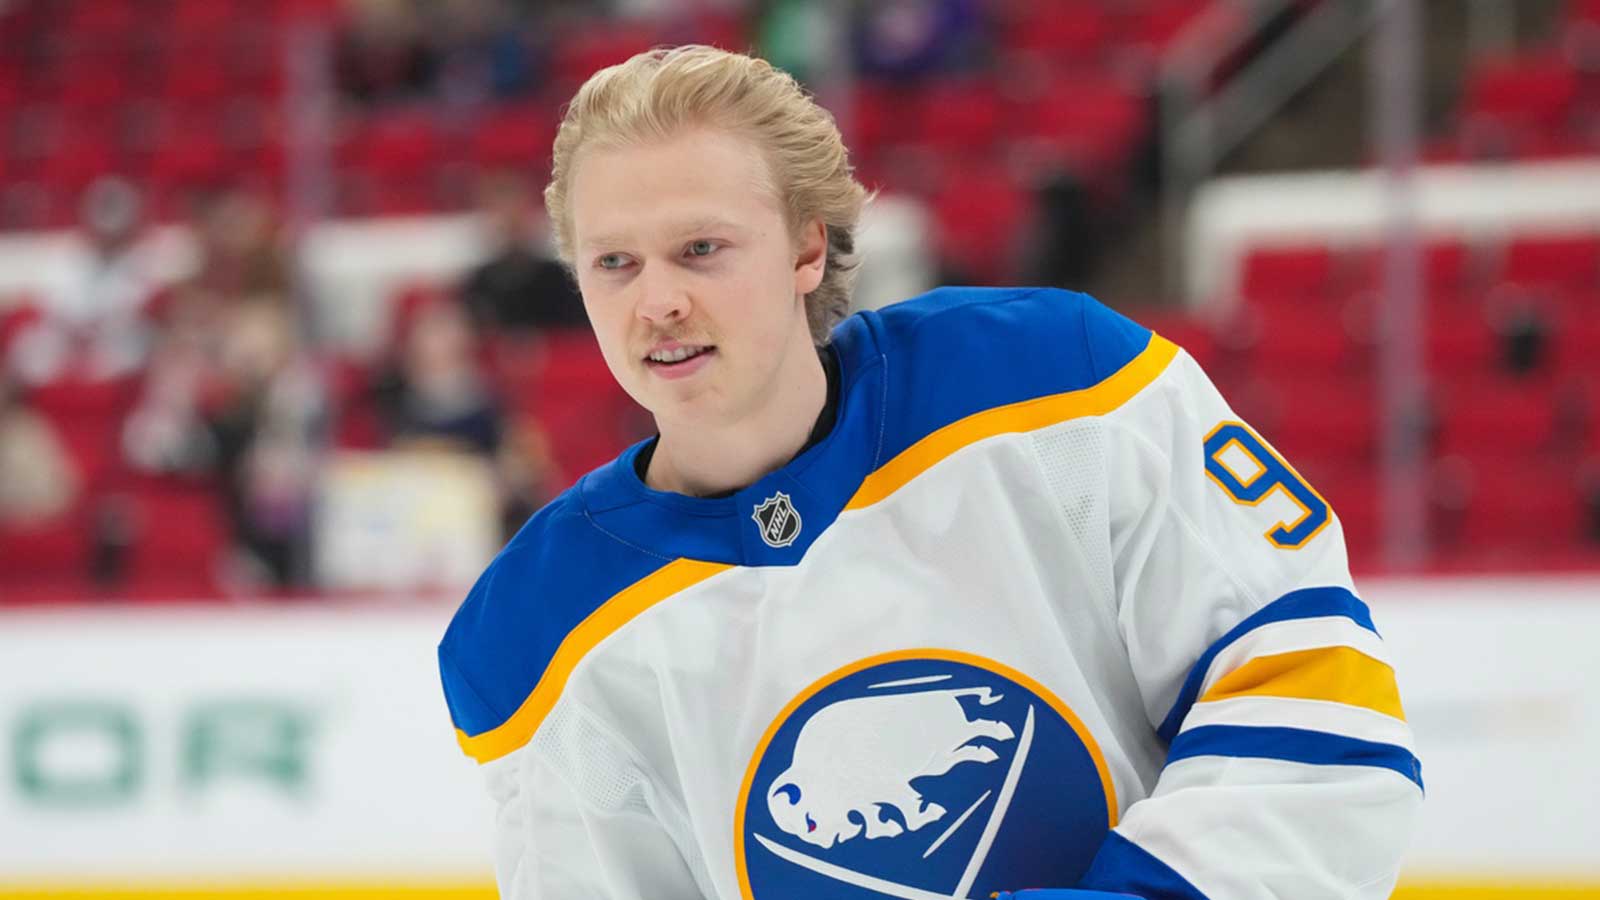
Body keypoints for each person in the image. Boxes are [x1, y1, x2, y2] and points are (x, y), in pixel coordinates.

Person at [438, 45, 1421, 900]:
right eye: (615, 263)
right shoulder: (533, 637)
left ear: (806, 248)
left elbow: (1313, 713)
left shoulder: (1060, 387)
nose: (657, 302)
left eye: (701, 250)